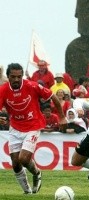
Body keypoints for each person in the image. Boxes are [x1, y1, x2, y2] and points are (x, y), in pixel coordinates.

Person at [0, 63, 67, 194]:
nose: (16, 80)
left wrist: (62, 117)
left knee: (24, 159)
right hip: (15, 127)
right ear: (8, 77)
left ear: (22, 76)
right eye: (13, 77)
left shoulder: (32, 85)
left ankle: (37, 173)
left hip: (33, 125)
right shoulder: (2, 90)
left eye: (19, 77)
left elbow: (52, 96)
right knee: (15, 162)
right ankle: (27, 192)